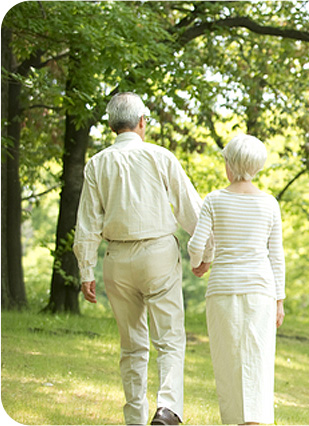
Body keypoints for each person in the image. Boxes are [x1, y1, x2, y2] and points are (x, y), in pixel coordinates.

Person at [74, 92, 212, 425]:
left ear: (111, 126)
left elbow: (88, 222)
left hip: (117, 257)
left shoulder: (97, 163)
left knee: (132, 344)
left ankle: (135, 417)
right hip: (158, 254)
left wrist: (85, 270)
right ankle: (167, 409)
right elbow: (190, 209)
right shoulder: (160, 156)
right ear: (141, 121)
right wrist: (204, 253)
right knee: (169, 338)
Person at [188, 134, 286, 425]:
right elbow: (276, 256)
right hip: (260, 291)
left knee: (227, 360)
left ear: (229, 164)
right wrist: (279, 300)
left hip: (222, 288)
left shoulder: (214, 200)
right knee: (258, 361)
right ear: (257, 166)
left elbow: (196, 245)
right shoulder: (269, 204)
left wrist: (199, 264)